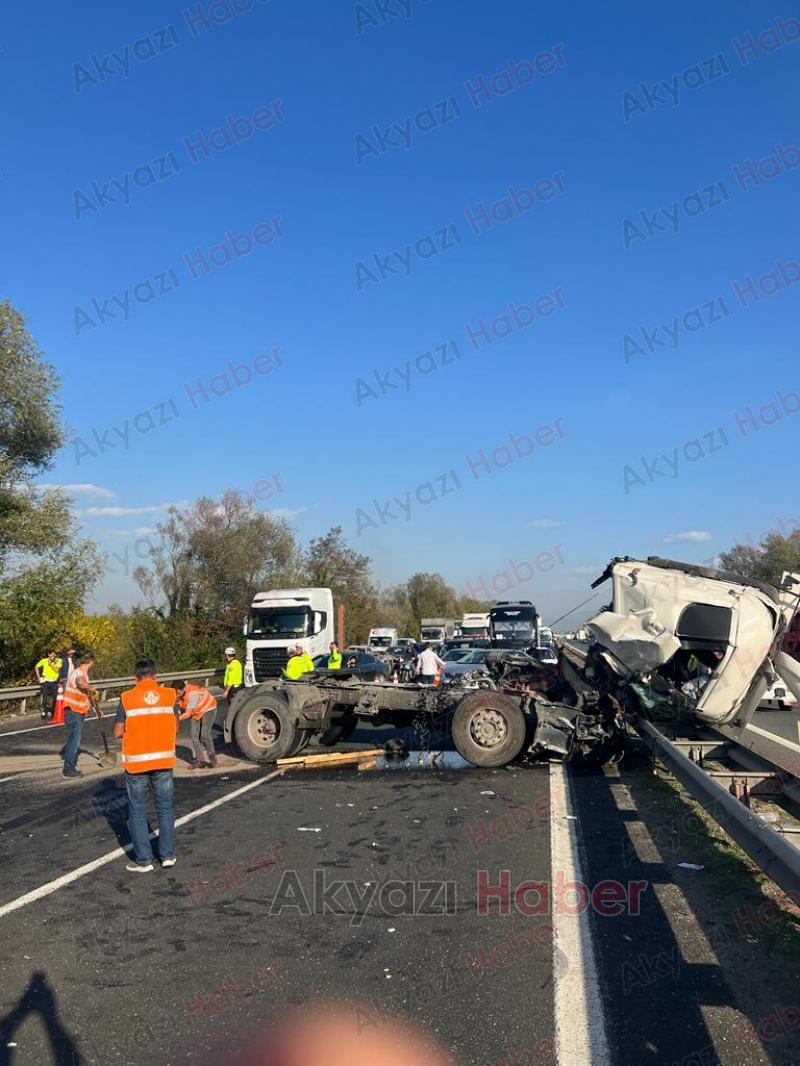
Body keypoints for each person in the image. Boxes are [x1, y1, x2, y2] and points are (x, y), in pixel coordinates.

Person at [113, 658, 178, 873]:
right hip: (163, 761)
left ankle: (144, 861)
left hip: (137, 764)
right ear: (155, 676)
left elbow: (117, 732)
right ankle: (167, 856)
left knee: (138, 811)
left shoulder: (127, 698)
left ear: (135, 677)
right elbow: (175, 726)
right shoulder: (170, 695)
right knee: (165, 808)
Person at [62, 653, 94, 777]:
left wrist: (89, 702)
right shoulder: (78, 673)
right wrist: (91, 689)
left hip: (78, 711)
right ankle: (68, 768)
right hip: (73, 711)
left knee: (74, 740)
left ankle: (70, 766)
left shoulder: (83, 673)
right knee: (74, 741)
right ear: (91, 662)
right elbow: (80, 683)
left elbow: (81, 691)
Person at [175, 680, 218, 769]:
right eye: (175, 692)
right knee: (194, 736)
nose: (177, 694)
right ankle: (200, 761)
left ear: (183, 689)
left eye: (178, 692)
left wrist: (173, 719)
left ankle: (212, 756)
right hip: (196, 711)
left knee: (204, 734)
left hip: (208, 708)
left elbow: (187, 714)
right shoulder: (179, 693)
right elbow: (178, 706)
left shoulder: (193, 695)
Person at [35, 650, 63, 719]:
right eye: (49, 656)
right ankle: (44, 711)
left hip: (54, 681)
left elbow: (56, 670)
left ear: (55, 655)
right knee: (45, 697)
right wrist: (39, 677)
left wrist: (51, 664)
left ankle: (52, 711)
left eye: (53, 655)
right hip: (46, 681)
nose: (51, 657)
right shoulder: (44, 661)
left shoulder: (58, 661)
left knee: (55, 697)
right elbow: (36, 667)